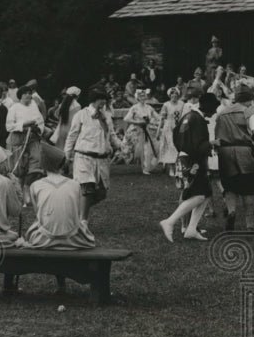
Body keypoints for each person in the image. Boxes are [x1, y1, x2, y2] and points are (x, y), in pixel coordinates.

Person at [214, 87, 254, 231]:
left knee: (229, 187)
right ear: (248, 100)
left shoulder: (222, 112)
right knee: (248, 188)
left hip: (225, 151)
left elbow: (217, 134)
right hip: (244, 151)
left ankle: (232, 212)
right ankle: (249, 224)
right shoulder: (248, 112)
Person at [19, 144, 96, 251]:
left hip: (45, 239)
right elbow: (76, 213)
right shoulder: (75, 185)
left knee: (32, 232)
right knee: (81, 225)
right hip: (73, 239)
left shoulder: (35, 185)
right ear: (62, 164)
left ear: (43, 165)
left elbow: (39, 215)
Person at [160, 89, 213, 242]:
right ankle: (170, 221)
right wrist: (211, 144)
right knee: (198, 195)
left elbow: (176, 135)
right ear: (208, 107)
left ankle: (191, 229)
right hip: (192, 160)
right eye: (214, 108)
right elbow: (199, 145)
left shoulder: (188, 116)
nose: (215, 111)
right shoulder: (198, 120)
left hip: (184, 157)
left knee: (206, 193)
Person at [64, 89, 123, 222]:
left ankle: (74, 211)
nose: (104, 102)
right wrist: (67, 156)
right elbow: (72, 135)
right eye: (101, 99)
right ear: (94, 100)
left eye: (105, 99)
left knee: (102, 193)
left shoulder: (106, 116)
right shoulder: (81, 115)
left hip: (102, 160)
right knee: (87, 188)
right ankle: (83, 221)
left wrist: (122, 146)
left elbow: (111, 135)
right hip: (84, 157)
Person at [5, 84, 45, 205]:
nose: (28, 95)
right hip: (18, 138)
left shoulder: (34, 106)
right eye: (25, 93)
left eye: (29, 93)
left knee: (36, 161)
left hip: (33, 138)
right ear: (20, 96)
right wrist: (24, 124)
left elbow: (41, 121)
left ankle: (27, 188)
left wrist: (38, 129)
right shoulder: (14, 107)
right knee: (19, 167)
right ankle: (19, 194)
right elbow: (8, 126)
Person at [122, 88, 161, 175]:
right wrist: (138, 122)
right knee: (134, 148)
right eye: (141, 96)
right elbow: (126, 119)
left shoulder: (149, 108)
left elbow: (157, 117)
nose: (143, 98)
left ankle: (146, 168)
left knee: (148, 148)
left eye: (144, 96)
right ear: (137, 98)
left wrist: (159, 120)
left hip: (147, 130)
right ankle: (142, 165)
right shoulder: (134, 108)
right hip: (137, 130)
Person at [158, 86, 185, 182]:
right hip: (169, 127)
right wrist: (159, 130)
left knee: (179, 148)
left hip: (179, 127)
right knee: (171, 147)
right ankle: (171, 169)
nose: (174, 96)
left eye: (176, 94)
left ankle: (178, 168)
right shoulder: (166, 105)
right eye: (172, 94)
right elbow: (162, 118)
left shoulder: (182, 104)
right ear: (169, 95)